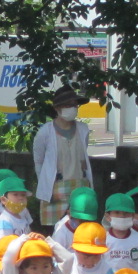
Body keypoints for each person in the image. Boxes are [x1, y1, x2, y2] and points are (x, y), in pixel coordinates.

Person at [32, 86, 93, 227]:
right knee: (56, 231)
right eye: (67, 105)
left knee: (80, 228)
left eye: (74, 105)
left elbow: (83, 154)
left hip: (80, 186)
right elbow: (38, 161)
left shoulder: (83, 129)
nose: (72, 108)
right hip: (55, 188)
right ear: (57, 108)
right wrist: (46, 184)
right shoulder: (45, 132)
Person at [51, 187, 100, 251]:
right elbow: (55, 256)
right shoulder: (61, 232)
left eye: (87, 221)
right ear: (69, 213)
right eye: (80, 220)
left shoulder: (95, 231)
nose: (82, 224)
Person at [0, 174, 33, 241]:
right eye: (15, 194)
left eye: (23, 195)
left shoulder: (22, 217)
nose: (20, 198)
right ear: (3, 200)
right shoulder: (4, 222)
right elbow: (5, 246)